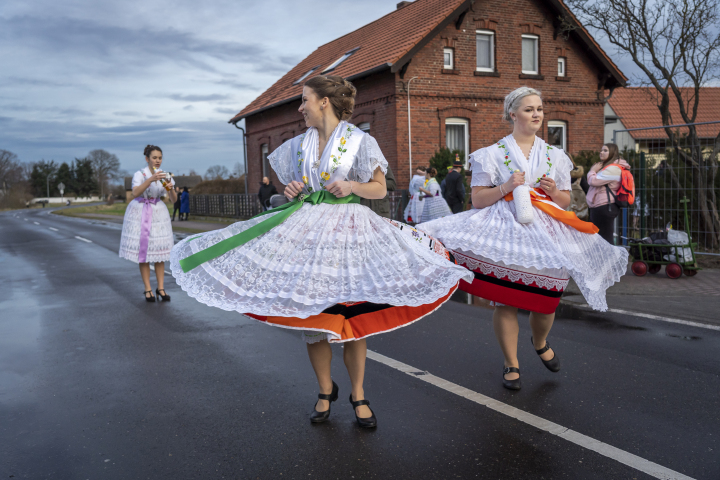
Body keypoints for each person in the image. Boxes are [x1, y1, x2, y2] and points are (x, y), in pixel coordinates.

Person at [169, 75, 471, 427]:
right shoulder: (298, 146)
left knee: (353, 317)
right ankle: (326, 389)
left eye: (304, 100)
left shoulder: (361, 141)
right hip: (310, 234)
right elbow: (291, 189)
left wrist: (352, 185)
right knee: (313, 315)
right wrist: (295, 188)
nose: (300, 108)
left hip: (351, 233)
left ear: (323, 102)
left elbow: (378, 189)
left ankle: (358, 393)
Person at [417, 87, 627, 390]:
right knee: (506, 300)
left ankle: (540, 341)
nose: (537, 114)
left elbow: (565, 201)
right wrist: (505, 187)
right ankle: (511, 363)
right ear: (512, 114)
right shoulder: (490, 154)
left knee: (548, 301)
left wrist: (554, 191)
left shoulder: (556, 156)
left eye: (539, 108)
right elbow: (477, 199)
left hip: (546, 232)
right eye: (529, 109)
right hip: (506, 231)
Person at [119, 144, 176, 302]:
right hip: (141, 212)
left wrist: (170, 188)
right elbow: (135, 192)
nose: (158, 160)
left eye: (160, 158)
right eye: (154, 158)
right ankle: (148, 289)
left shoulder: (164, 176)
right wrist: (151, 179)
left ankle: (161, 288)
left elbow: (173, 200)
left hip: (158, 213)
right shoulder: (140, 174)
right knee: (143, 254)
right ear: (147, 159)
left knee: (159, 253)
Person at [586, 144, 630, 244]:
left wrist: (592, 171)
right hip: (601, 205)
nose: (601, 152)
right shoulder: (609, 167)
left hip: (604, 206)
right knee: (600, 238)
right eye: (601, 150)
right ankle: (603, 258)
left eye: (605, 150)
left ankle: (609, 259)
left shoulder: (613, 169)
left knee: (604, 239)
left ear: (612, 153)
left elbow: (593, 181)